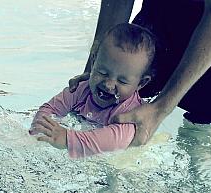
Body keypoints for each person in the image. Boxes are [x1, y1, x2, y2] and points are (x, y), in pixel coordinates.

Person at [69, 0, 211, 146]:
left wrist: (159, 109)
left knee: (200, 134)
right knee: (117, 111)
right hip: (157, 20)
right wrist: (96, 69)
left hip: (209, 42)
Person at [29, 23, 156, 158]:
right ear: (94, 61)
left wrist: (67, 139)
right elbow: (50, 109)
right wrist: (41, 130)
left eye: (122, 81)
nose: (109, 84)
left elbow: (113, 142)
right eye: (103, 72)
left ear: (141, 83)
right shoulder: (81, 90)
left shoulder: (132, 114)